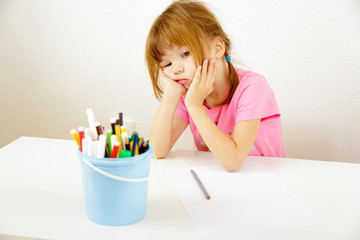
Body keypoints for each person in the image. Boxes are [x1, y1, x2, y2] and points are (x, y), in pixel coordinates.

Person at [145, 0, 285, 172]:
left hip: (266, 179)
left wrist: (195, 106)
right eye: (167, 64)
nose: (176, 69)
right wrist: (172, 93)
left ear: (217, 48)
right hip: (219, 184)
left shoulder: (252, 87)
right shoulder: (189, 93)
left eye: (185, 53)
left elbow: (232, 161)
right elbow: (155, 151)